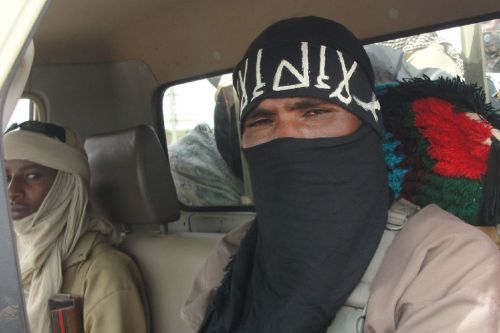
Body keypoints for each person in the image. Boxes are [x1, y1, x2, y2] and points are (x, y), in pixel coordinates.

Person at [181, 16, 500, 332]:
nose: (287, 137)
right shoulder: (233, 253)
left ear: (367, 127)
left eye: (314, 112)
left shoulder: (445, 260)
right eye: (262, 121)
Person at [3, 121, 149, 333]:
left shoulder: (103, 273)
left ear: (66, 184)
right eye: (5, 177)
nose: (12, 191)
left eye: (32, 175)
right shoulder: (11, 257)